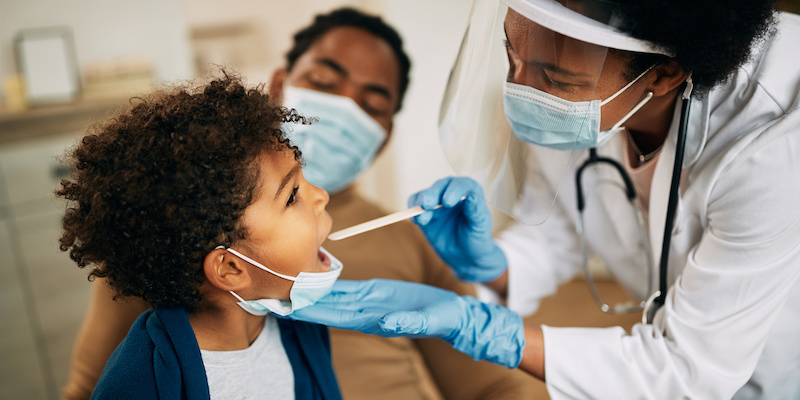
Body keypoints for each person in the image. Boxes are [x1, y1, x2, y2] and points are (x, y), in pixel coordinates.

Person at [283, 0, 800, 399]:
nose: (522, 91)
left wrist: (484, 329)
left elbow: (686, 372)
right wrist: (492, 266)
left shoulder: (775, 140)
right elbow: (562, 233)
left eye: (553, 78)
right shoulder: (581, 87)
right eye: (513, 57)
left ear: (664, 74)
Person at [62, 7, 538, 400]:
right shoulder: (166, 226)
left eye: (372, 104)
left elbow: (492, 386)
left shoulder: (416, 238)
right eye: (325, 82)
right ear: (278, 85)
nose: (345, 109)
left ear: (386, 132)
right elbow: (88, 386)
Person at [57, 71, 342, 399]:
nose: (321, 196)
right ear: (230, 268)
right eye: (292, 196)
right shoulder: (137, 384)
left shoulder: (303, 327)